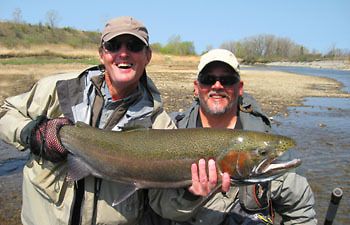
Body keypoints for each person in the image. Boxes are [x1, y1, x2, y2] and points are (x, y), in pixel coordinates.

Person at [0, 17, 227, 225]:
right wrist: (30, 132)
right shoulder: (60, 89)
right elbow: (4, 112)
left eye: (134, 46)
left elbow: (164, 207)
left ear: (148, 56)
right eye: (114, 46)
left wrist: (192, 194)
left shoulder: (160, 124)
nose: (123, 53)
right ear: (102, 54)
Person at [167, 49, 317, 225]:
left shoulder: (266, 148)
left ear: (240, 88)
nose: (217, 86)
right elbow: (154, 207)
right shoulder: (170, 131)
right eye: (208, 80)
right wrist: (190, 196)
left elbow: (301, 213)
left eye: (227, 80)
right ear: (196, 87)